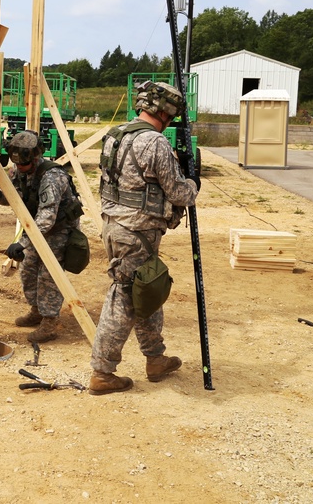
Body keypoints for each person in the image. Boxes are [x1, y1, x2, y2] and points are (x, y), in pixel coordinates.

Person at [88, 81, 199, 395]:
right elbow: (179, 193)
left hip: (116, 226)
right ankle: (102, 372)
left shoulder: (116, 135)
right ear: (164, 111)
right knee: (123, 298)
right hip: (137, 233)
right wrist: (193, 182)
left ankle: (155, 358)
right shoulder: (155, 143)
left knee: (148, 289)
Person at [0, 130, 83, 343]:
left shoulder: (52, 177)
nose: (20, 169)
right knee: (28, 270)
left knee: (48, 275)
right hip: (38, 228)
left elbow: (47, 217)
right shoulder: (20, 171)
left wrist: (23, 243)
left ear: (35, 158)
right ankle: (36, 310)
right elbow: (14, 196)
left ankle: (50, 322)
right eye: (18, 165)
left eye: (24, 165)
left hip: (59, 229)